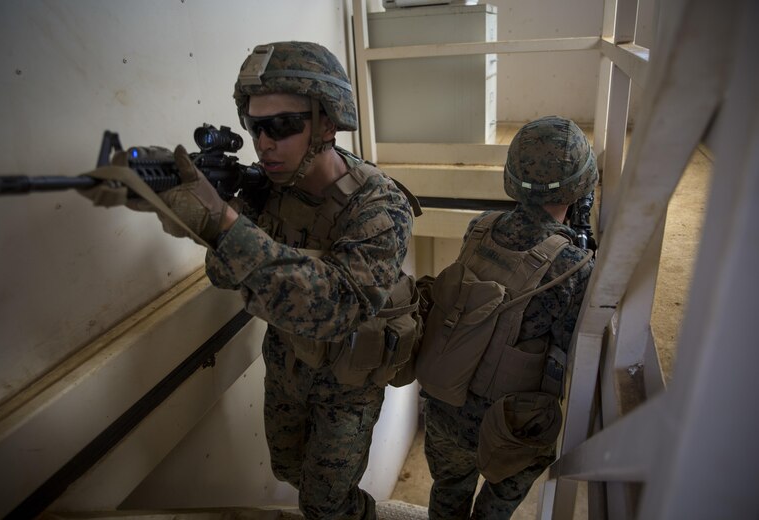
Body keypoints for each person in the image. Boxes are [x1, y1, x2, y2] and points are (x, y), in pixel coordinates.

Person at [81, 41, 416, 520]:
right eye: (255, 126)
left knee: (326, 506)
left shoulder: (380, 207)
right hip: (286, 365)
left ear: (327, 123)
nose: (264, 143)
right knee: (287, 470)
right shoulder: (267, 188)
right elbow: (223, 273)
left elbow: (339, 307)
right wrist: (189, 211)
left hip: (348, 385)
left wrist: (222, 223)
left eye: (282, 125)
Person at [420, 116, 598, 519]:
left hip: (443, 407)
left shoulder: (478, 228)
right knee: (500, 500)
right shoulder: (573, 266)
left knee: (447, 491)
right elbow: (568, 351)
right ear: (583, 185)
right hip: (504, 427)